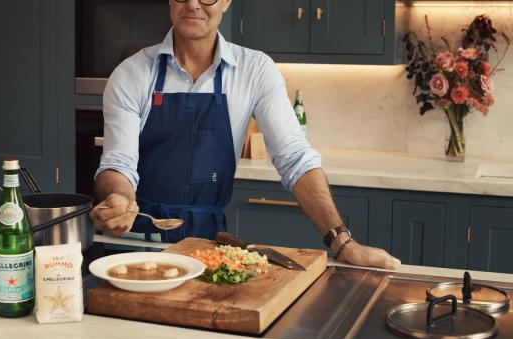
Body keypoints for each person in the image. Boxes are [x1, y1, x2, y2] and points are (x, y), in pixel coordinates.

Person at [89, 0, 400, 269]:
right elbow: (118, 164)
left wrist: (343, 242)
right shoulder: (131, 74)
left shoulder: (255, 70)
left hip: (207, 245)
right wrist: (120, 199)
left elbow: (295, 159)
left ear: (226, 2)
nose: (194, 4)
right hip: (137, 241)